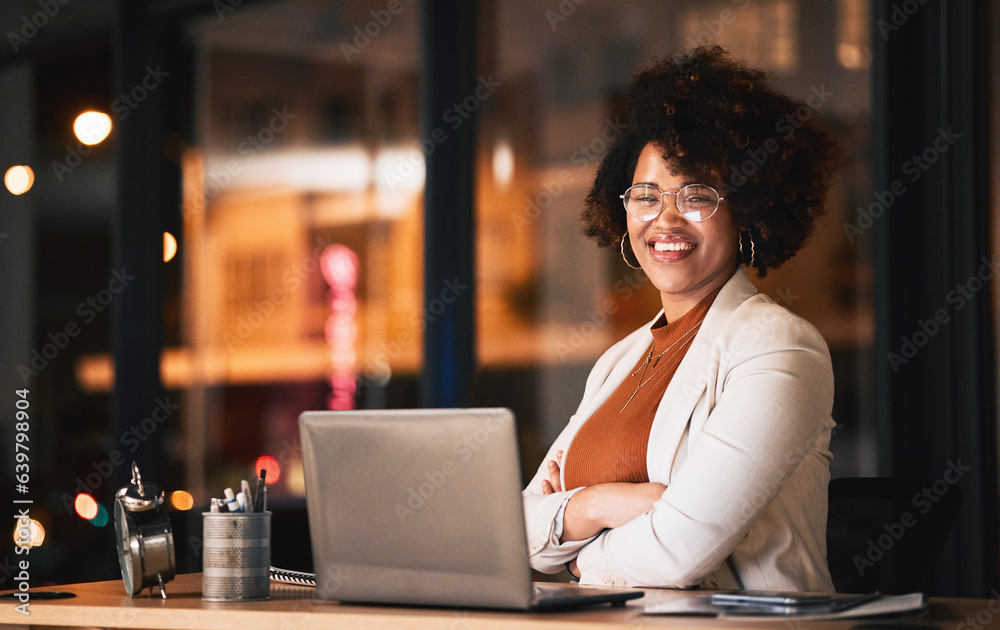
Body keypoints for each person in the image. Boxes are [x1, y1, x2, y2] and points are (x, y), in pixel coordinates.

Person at [522, 46, 843, 592]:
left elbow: (680, 551)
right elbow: (518, 531)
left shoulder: (780, 348)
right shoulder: (617, 362)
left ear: (747, 209)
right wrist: (602, 503)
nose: (664, 219)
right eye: (645, 196)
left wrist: (572, 554)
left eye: (696, 195)